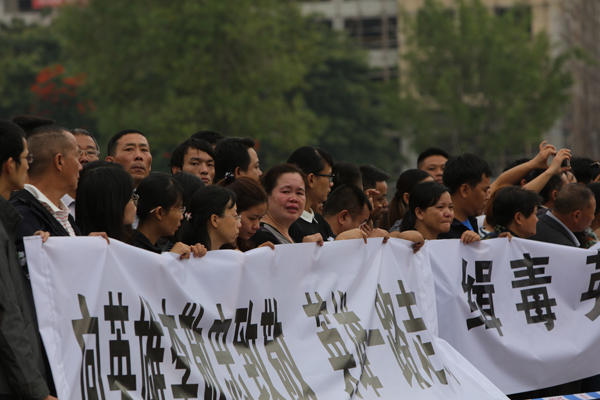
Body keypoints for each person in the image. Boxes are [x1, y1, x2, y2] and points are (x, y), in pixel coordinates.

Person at [0, 120, 57, 400]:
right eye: (26, 158)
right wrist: (36, 390)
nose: (28, 166)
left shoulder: (8, 225)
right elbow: (6, 315)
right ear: (9, 165)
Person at [11, 125, 82, 250]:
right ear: (59, 161)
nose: (80, 167)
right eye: (77, 156)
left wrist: (89, 244)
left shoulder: (65, 216)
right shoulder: (22, 215)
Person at [131, 172, 205, 258]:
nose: (182, 216)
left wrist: (194, 252)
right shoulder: (129, 250)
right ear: (160, 213)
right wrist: (169, 258)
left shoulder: (166, 247)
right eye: (179, 208)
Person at [251, 164, 321, 246]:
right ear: (266, 194)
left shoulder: (294, 235)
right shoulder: (261, 236)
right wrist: (305, 249)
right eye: (286, 191)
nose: (294, 199)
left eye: (299, 193)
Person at [75, 163, 136, 242]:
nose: (134, 203)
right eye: (130, 197)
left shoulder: (133, 240)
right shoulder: (80, 243)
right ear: (113, 203)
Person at [438, 153, 491, 242]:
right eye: (484, 190)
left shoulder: (472, 222)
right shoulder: (442, 231)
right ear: (464, 190)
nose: (488, 196)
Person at [287, 146, 335, 242]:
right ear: (311, 179)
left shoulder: (320, 221)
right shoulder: (290, 225)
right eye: (329, 177)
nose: (331, 183)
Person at [399, 181, 471, 242]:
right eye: (440, 207)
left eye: (451, 207)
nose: (448, 214)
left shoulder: (451, 242)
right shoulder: (403, 243)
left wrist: (472, 242)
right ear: (419, 213)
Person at [530, 183, 596, 247]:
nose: (593, 217)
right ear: (577, 215)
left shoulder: (531, 222)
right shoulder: (566, 248)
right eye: (593, 213)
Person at [184, 186, 241, 251]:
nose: (239, 225)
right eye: (235, 216)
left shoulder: (230, 255)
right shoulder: (187, 255)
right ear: (214, 220)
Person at [62, 128, 101, 215]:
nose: (84, 159)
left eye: (90, 152)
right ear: (60, 160)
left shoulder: (106, 203)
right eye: (77, 152)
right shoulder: (51, 205)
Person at [226, 177, 271, 251]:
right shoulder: (212, 250)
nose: (257, 226)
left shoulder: (248, 244)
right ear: (234, 213)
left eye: (260, 218)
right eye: (252, 218)